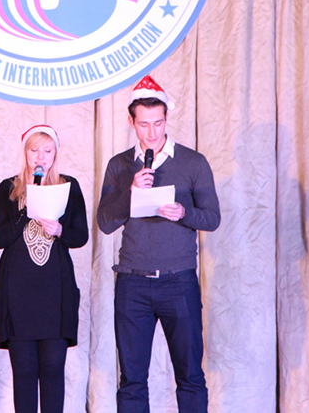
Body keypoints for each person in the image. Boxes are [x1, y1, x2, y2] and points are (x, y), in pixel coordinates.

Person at [96, 76, 221, 413]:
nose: (151, 132)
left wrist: (183, 212)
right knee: (132, 380)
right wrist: (131, 192)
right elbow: (105, 223)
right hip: (132, 283)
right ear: (131, 122)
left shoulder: (193, 162)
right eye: (143, 124)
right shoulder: (120, 165)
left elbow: (212, 218)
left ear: (167, 118)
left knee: (190, 375)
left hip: (178, 282)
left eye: (158, 123)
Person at [0, 124, 88, 413]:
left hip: (55, 292)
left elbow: (80, 236)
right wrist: (26, 209)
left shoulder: (69, 186)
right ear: (25, 153)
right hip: (17, 292)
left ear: (55, 153)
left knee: (53, 367)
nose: (40, 157)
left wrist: (60, 230)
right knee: (23, 369)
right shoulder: (8, 188)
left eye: (47, 150)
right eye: (34, 150)